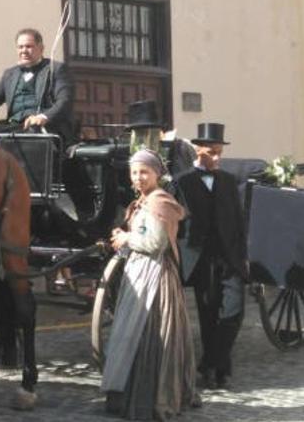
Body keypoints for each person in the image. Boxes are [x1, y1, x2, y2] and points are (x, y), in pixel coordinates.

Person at [102, 149, 200, 420]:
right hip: (138, 272)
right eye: (134, 172)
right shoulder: (142, 202)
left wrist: (126, 239)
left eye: (144, 171)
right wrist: (126, 235)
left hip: (155, 278)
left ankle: (151, 397)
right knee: (130, 332)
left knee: (148, 333)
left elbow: (155, 244)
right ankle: (124, 392)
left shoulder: (160, 203)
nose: (138, 177)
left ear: (157, 173)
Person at [175, 123, 248, 390]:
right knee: (208, 316)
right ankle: (218, 371)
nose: (216, 158)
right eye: (210, 152)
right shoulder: (182, 182)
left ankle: (208, 362)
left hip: (229, 257)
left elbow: (239, 222)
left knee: (234, 311)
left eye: (219, 152)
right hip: (201, 259)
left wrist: (243, 256)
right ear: (197, 150)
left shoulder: (228, 181)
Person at [0, 28, 75, 143]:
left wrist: (43, 117)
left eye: (28, 46)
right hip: (15, 126)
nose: (24, 51)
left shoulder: (56, 69)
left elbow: (64, 101)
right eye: (20, 47)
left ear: (41, 48)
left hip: (45, 127)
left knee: (32, 133)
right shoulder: (10, 74)